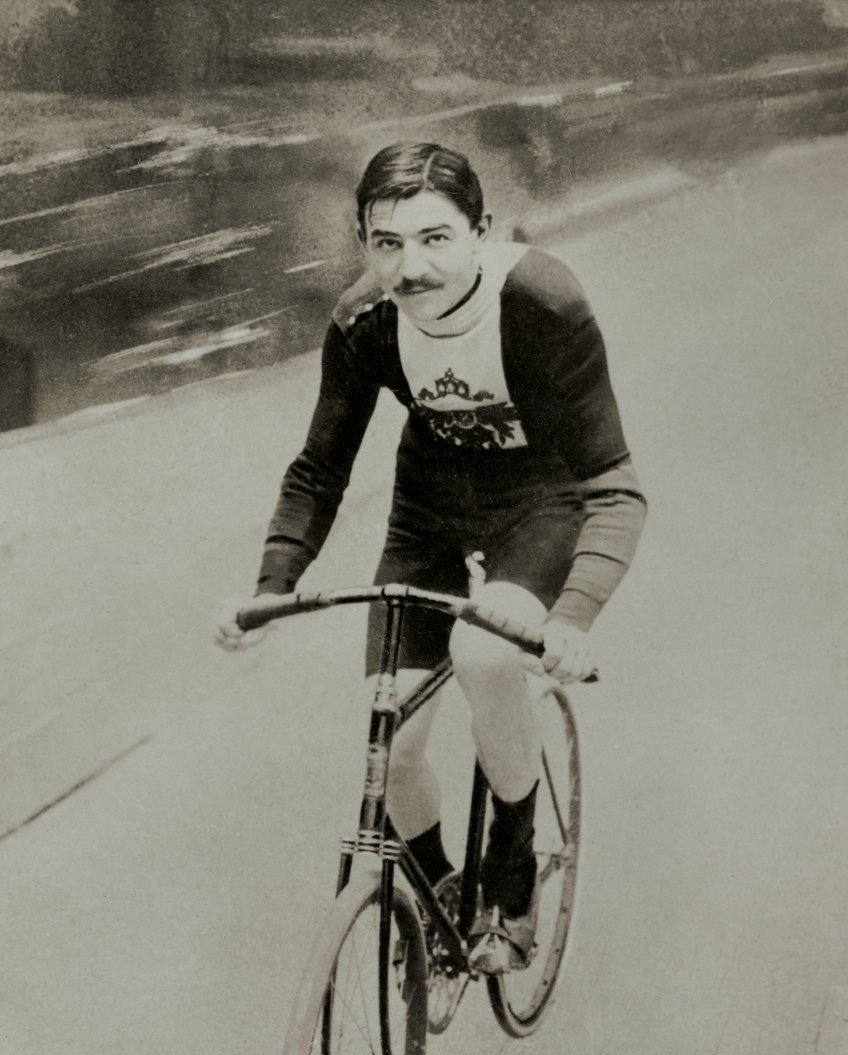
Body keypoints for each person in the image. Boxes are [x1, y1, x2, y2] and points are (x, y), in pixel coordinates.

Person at [215, 141, 647, 973]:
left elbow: (614, 484)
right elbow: (319, 468)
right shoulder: (362, 323)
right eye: (386, 244)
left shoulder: (543, 303)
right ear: (365, 245)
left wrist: (573, 617)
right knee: (391, 737)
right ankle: (443, 891)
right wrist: (270, 589)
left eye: (435, 238)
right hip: (428, 512)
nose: (410, 268)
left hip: (541, 504)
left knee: (485, 651)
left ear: (479, 231)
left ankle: (511, 871)